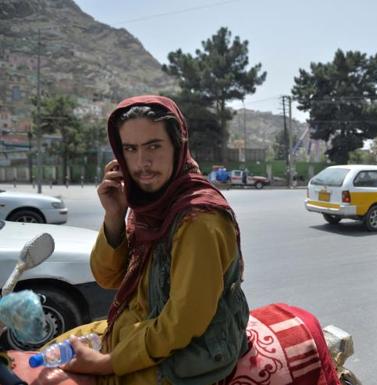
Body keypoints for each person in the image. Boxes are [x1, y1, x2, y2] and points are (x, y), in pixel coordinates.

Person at [59, 95, 249, 385]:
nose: (141, 163)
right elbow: (108, 278)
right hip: (140, 328)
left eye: (153, 146)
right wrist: (114, 217)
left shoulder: (198, 220)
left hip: (192, 351)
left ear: (178, 146)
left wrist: (108, 363)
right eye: (130, 149)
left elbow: (183, 323)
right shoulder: (148, 206)